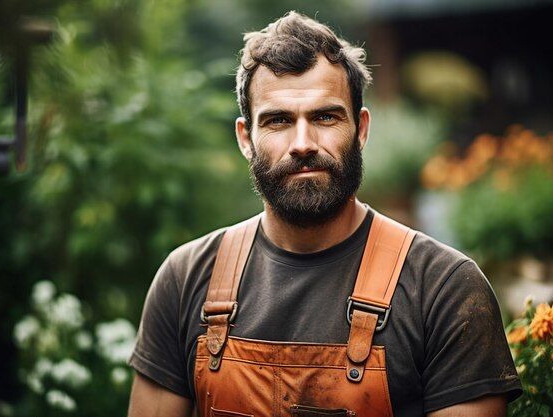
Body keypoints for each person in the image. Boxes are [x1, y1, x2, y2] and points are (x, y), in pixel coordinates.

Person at [127, 11, 521, 417]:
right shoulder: (186, 278)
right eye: (278, 120)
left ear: (361, 129)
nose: (303, 143)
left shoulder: (444, 290)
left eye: (325, 117)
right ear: (246, 139)